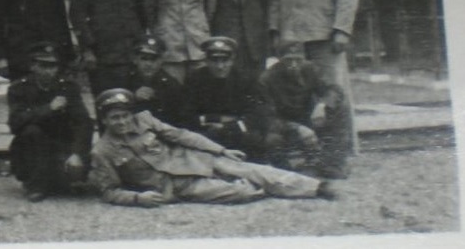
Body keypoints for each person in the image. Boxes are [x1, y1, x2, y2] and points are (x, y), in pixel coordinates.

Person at [89, 88, 336, 206]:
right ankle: (271, 188)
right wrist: (137, 198)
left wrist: (219, 150)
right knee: (240, 193)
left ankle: (315, 187)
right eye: (114, 118)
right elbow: (109, 191)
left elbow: (182, 136)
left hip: (195, 160)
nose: (121, 122)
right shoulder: (102, 151)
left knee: (250, 169)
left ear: (130, 114)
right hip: (177, 185)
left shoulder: (144, 119)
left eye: (123, 115)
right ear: (104, 120)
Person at [268, 0, 360, 170]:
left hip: (324, 38)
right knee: (300, 97)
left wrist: (342, 30)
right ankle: (311, 152)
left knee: (332, 95)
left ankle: (338, 156)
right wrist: (275, 31)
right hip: (293, 43)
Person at [7, 42, 94, 202]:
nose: (50, 71)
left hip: (61, 144)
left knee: (69, 185)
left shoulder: (68, 87)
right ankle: (35, 185)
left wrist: (77, 153)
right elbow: (15, 123)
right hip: (33, 148)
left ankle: (66, 179)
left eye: (53, 66)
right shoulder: (19, 88)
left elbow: (84, 122)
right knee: (31, 132)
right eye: (44, 66)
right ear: (33, 66)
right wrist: (49, 108)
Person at [259, 43, 352, 179]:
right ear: (280, 60)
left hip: (309, 119)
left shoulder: (310, 69)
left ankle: (332, 163)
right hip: (283, 126)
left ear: (303, 59)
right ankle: (284, 169)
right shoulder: (267, 79)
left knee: (340, 108)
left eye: (298, 60)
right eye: (289, 60)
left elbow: (334, 90)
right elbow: (268, 117)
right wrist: (296, 128)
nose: (294, 65)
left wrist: (322, 104)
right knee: (272, 139)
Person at [186, 36, 271, 162]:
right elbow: (185, 115)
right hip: (206, 135)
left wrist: (226, 127)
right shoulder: (195, 79)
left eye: (225, 60)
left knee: (255, 141)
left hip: (236, 134)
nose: (220, 66)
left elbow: (257, 114)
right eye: (215, 60)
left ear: (232, 60)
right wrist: (218, 120)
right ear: (207, 60)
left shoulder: (245, 80)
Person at [125, 37, 196, 129]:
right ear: (135, 60)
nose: (148, 64)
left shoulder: (171, 85)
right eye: (144, 59)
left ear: (161, 60)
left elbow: (183, 119)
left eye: (153, 59)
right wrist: (132, 97)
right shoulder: (125, 81)